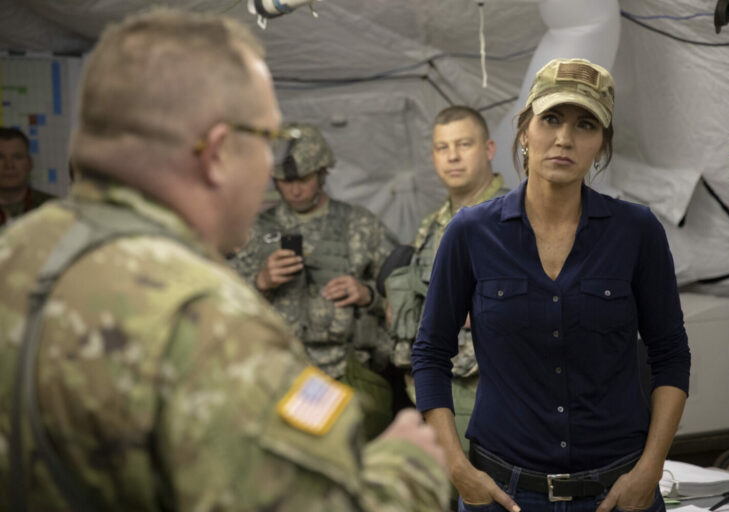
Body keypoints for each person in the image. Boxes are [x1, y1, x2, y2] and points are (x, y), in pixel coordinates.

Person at [0, 9, 449, 512]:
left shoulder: (17, 252)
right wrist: (410, 466)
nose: (274, 174)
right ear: (216, 153)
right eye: (266, 142)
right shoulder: (211, 325)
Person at [411, 58, 691, 512]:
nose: (564, 138)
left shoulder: (636, 231)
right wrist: (458, 470)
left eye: (585, 124)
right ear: (525, 131)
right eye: (551, 119)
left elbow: (671, 354)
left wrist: (649, 471)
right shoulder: (470, 232)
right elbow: (429, 353)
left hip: (618, 493)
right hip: (504, 494)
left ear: (601, 145)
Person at [229, 123, 400, 438]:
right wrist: (261, 281)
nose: (294, 190)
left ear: (323, 173)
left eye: (303, 179)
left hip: (348, 374)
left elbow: (408, 299)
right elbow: (221, 305)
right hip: (277, 375)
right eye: (284, 181)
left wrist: (367, 295)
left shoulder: (360, 226)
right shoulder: (250, 232)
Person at [385, 106, 508, 454]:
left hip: (492, 397)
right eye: (443, 147)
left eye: (464, 144)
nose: (452, 156)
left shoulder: (515, 218)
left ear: (488, 149)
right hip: (434, 391)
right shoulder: (432, 225)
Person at [0, 127, 55, 227]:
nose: (9, 165)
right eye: (1, 157)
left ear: (29, 163)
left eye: (17, 157)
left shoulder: (56, 209)